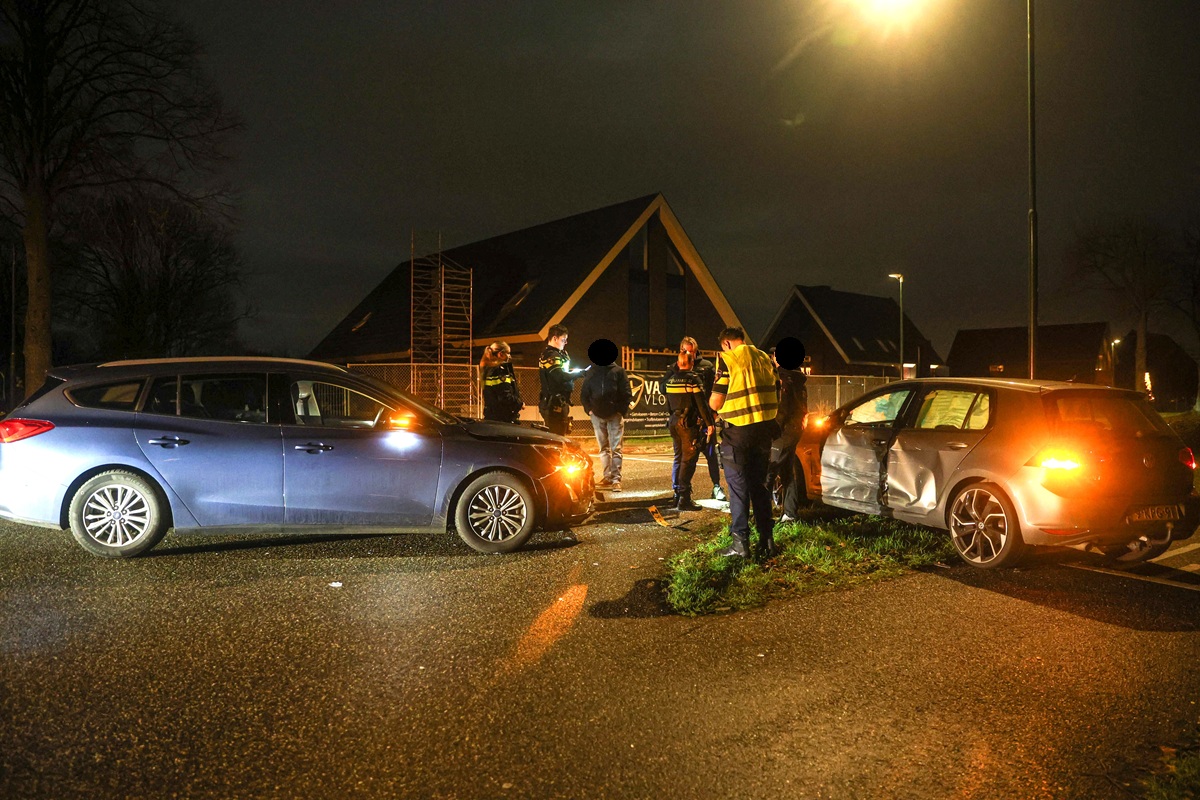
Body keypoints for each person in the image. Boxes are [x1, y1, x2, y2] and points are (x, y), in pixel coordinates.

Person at [709, 326, 779, 559]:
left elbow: (716, 402)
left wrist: (711, 404)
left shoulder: (727, 360)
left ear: (726, 344)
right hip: (764, 432)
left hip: (738, 433)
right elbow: (776, 389)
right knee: (759, 487)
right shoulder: (763, 358)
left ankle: (740, 544)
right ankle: (767, 540)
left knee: (739, 491)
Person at [663, 348, 715, 511]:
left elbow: (669, 404)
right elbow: (701, 403)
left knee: (678, 458)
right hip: (688, 424)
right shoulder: (693, 380)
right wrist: (709, 423)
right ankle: (684, 498)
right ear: (691, 363)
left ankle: (677, 493)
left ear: (678, 364)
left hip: (674, 422)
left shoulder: (670, 381)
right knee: (688, 460)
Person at [580, 338, 633, 491]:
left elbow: (626, 393)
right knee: (603, 448)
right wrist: (589, 410)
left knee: (615, 448)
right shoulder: (592, 371)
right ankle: (608, 477)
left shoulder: (618, 371)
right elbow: (584, 393)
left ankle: (616, 479)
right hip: (596, 415)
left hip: (614, 415)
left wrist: (620, 410)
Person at [767, 338, 808, 522]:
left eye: (774, 356)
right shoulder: (799, 379)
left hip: (784, 431)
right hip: (795, 430)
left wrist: (772, 430)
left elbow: (782, 409)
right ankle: (790, 513)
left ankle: (763, 515)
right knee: (787, 471)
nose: (773, 359)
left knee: (769, 470)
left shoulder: (783, 378)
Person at [680, 336, 725, 502]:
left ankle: (716, 486)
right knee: (685, 458)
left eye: (691, 351)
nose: (689, 354)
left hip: (706, 419)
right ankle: (682, 490)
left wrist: (712, 414)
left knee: (712, 454)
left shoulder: (706, 366)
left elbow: (714, 388)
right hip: (687, 423)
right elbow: (665, 389)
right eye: (686, 351)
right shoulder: (676, 368)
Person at [538, 324, 583, 436]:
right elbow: (559, 376)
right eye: (563, 340)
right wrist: (579, 374)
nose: (565, 342)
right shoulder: (550, 355)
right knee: (556, 435)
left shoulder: (560, 354)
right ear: (555, 338)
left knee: (562, 431)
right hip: (553, 402)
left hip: (561, 401)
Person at [480, 341, 523, 424]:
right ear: (501, 354)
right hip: (503, 418)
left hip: (492, 416)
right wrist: (520, 403)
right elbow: (505, 396)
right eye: (508, 353)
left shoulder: (488, 369)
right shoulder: (500, 371)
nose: (510, 356)